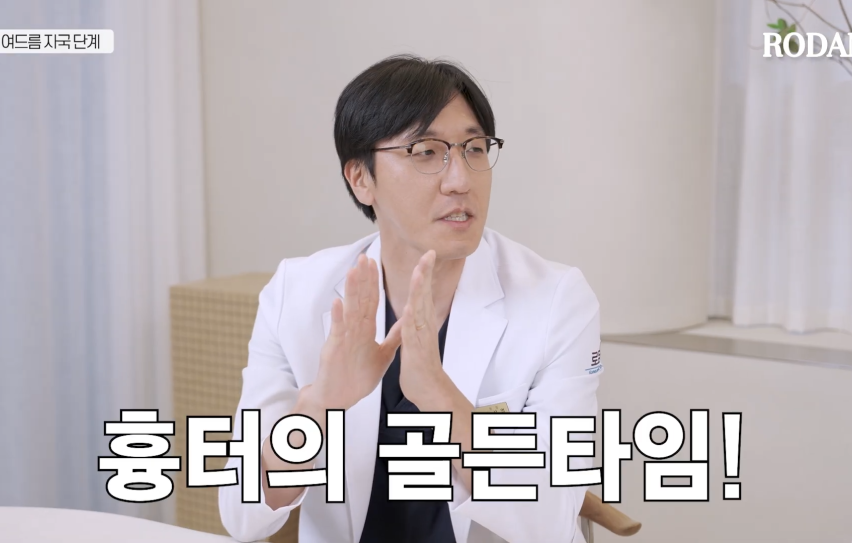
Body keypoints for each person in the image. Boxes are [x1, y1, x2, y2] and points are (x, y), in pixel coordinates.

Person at [218, 54, 603, 543]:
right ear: (361, 178)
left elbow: (551, 521)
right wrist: (317, 409)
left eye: (474, 148)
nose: (460, 179)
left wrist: (442, 399)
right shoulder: (295, 293)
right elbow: (243, 516)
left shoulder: (556, 300)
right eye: (425, 151)